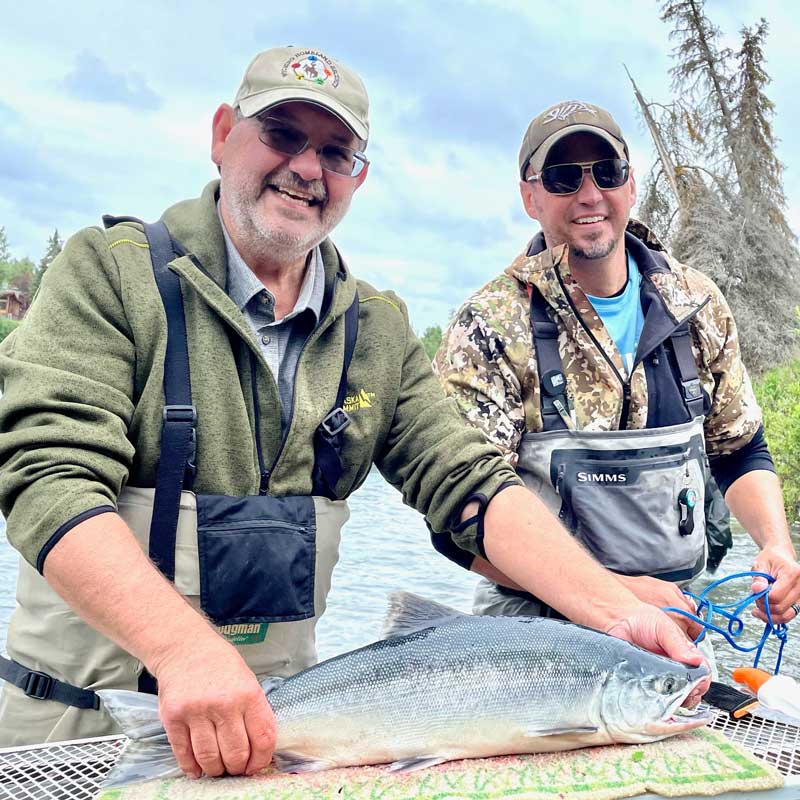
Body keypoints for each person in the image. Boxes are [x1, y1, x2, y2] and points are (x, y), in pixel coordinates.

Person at [0, 61, 706, 777]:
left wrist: (615, 613)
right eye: (283, 133)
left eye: (336, 153)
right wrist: (184, 650)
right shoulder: (110, 274)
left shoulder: (374, 331)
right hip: (78, 730)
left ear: (357, 178)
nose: (307, 168)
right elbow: (47, 480)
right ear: (222, 136)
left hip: (287, 744)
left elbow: (471, 486)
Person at [434, 100, 800, 636]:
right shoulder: (487, 326)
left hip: (681, 613)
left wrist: (776, 546)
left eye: (606, 173)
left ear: (630, 186)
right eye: (563, 177)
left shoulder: (696, 304)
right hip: (534, 627)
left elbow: (739, 448)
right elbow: (458, 525)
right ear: (529, 196)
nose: (589, 195)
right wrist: (621, 595)